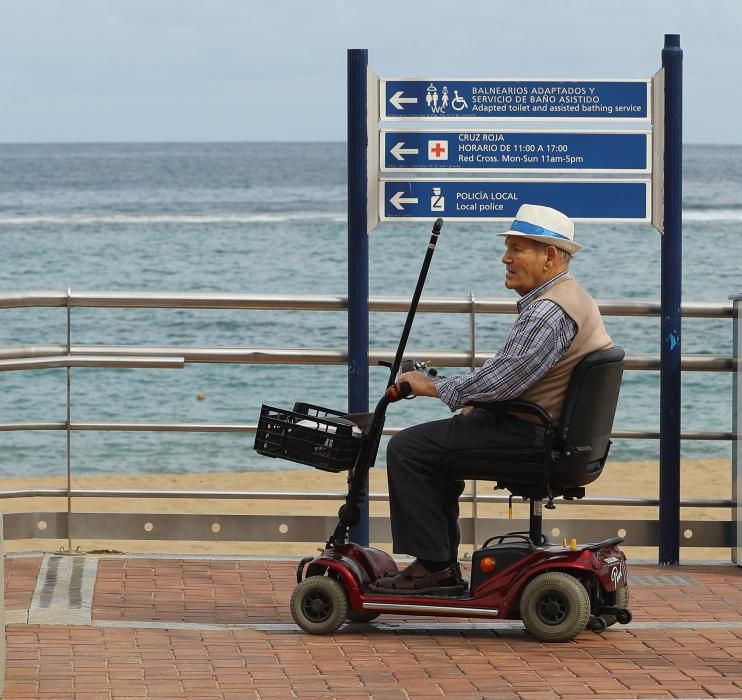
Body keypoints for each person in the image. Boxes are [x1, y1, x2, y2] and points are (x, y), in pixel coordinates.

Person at [369, 203, 613, 596]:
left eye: (517, 248)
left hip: (529, 434)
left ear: (549, 256)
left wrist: (428, 385)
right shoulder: (569, 297)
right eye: (508, 248)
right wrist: (472, 400)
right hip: (543, 429)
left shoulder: (548, 311)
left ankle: (434, 567)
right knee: (437, 444)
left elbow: (501, 382)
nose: (506, 257)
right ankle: (438, 562)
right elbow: (508, 378)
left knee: (408, 448)